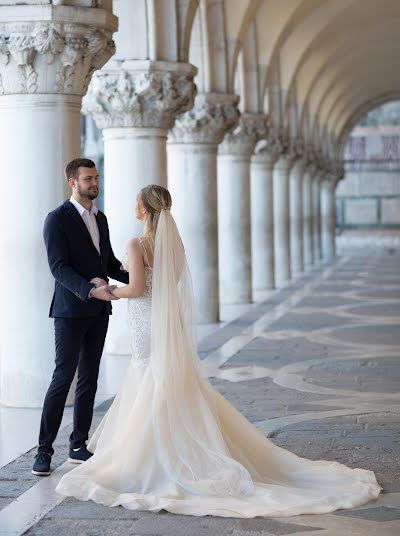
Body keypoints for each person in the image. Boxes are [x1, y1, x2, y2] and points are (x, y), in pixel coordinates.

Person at [56, 184, 381, 518]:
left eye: (136, 202)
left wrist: (111, 290)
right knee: (163, 377)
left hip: (146, 324)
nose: (133, 206)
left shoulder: (137, 244)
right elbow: (170, 282)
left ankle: (152, 454)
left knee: (148, 374)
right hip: (166, 322)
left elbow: (138, 288)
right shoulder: (175, 245)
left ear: (145, 208)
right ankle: (168, 444)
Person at [32, 158, 129, 477]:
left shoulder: (100, 218)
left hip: (100, 311)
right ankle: (44, 450)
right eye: (88, 178)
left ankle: (78, 444)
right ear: (72, 181)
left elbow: (108, 262)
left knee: (89, 378)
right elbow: (58, 267)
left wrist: (140, 276)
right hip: (71, 310)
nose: (94, 183)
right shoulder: (56, 219)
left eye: (96, 178)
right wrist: (90, 290)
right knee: (63, 377)